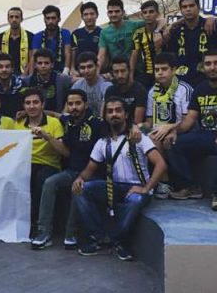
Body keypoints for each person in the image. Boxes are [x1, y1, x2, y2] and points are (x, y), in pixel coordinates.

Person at [72, 96, 165, 261]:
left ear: (126, 114)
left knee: (136, 200)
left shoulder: (138, 138)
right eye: (110, 111)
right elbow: (89, 169)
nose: (114, 114)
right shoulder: (102, 142)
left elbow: (161, 164)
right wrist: (79, 179)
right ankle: (99, 238)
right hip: (113, 187)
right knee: (81, 190)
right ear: (105, 116)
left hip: (137, 187)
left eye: (118, 110)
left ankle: (119, 242)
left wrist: (146, 188)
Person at [166, 50, 217, 211]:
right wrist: (175, 130)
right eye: (208, 64)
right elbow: (190, 119)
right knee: (174, 143)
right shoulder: (200, 89)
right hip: (206, 135)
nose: (212, 67)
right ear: (203, 67)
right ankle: (190, 187)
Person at [31, 89, 106, 250]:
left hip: (92, 174)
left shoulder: (97, 123)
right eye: (70, 104)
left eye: (78, 103)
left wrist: (83, 177)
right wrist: (27, 114)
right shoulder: (68, 121)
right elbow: (56, 115)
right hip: (71, 171)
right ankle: (44, 232)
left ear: (86, 104)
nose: (74, 107)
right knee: (50, 183)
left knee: (77, 188)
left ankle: (71, 233)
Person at [14, 88, 65, 236]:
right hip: (24, 165)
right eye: (28, 103)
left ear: (43, 104)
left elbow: (63, 150)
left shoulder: (54, 123)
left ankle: (40, 226)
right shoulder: (18, 123)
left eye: (35, 102)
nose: (31, 106)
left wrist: (47, 136)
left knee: (39, 179)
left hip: (48, 164)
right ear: (23, 106)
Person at [143, 52, 194, 199]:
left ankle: (177, 184)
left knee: (164, 139)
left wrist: (171, 129)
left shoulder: (184, 89)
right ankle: (164, 181)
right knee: (147, 137)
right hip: (159, 130)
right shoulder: (152, 92)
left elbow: (188, 121)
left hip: (182, 129)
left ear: (173, 70)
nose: (160, 73)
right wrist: (140, 127)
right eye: (157, 70)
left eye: (164, 69)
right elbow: (150, 121)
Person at [164, 0, 217, 86]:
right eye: (184, 7)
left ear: (199, 7)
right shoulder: (175, 30)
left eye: (191, 6)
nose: (188, 9)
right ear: (181, 10)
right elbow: (171, 55)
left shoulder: (211, 26)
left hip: (207, 76)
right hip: (181, 78)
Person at [97, 0, 145, 76]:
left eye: (117, 11)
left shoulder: (134, 25)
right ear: (107, 14)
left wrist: (158, 31)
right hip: (117, 72)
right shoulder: (104, 32)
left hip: (137, 71)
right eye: (110, 12)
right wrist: (96, 72)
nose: (113, 14)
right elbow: (101, 55)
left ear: (123, 12)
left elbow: (158, 20)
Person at [130, 0, 164, 89]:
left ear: (157, 14)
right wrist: (130, 75)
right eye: (145, 13)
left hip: (165, 72)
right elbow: (134, 55)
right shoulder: (138, 33)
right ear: (142, 15)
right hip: (147, 73)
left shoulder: (165, 30)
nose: (148, 15)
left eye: (151, 12)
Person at [103, 58, 148, 125]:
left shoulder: (139, 90)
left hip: (134, 128)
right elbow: (105, 116)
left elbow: (137, 121)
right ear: (112, 73)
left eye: (123, 71)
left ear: (129, 71)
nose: (120, 75)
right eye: (116, 72)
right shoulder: (110, 91)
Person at [31, 5, 72, 74]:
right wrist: (31, 75)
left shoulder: (65, 33)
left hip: (60, 71)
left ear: (59, 19)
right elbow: (34, 57)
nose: (50, 21)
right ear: (44, 20)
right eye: (48, 18)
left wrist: (66, 71)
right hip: (42, 71)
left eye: (53, 18)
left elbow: (67, 53)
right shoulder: (37, 36)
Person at [26, 48, 68, 113]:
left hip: (56, 117)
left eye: (46, 63)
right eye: (40, 63)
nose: (43, 66)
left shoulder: (62, 79)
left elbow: (79, 81)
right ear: (35, 65)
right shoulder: (27, 81)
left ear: (52, 65)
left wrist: (64, 113)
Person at [71, 51, 112, 117]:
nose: (86, 71)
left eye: (89, 67)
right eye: (83, 68)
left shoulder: (106, 85)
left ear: (97, 66)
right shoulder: (77, 86)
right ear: (78, 70)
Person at [0, 53, 26, 119]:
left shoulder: (22, 85)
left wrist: (25, 112)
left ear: (12, 69)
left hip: (19, 121)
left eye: (7, 67)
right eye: (0, 67)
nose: (4, 70)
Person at [0, 6, 34, 75]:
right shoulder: (1, 36)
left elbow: (32, 58)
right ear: (8, 19)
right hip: (5, 72)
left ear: (21, 19)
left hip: (23, 73)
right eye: (11, 17)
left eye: (17, 17)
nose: (14, 19)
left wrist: (26, 74)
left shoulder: (30, 36)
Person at [71, 1, 102, 72]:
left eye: (92, 14)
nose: (89, 17)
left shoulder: (102, 33)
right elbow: (73, 53)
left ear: (97, 15)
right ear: (82, 17)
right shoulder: (75, 34)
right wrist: (72, 69)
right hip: (79, 72)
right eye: (86, 14)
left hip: (96, 72)